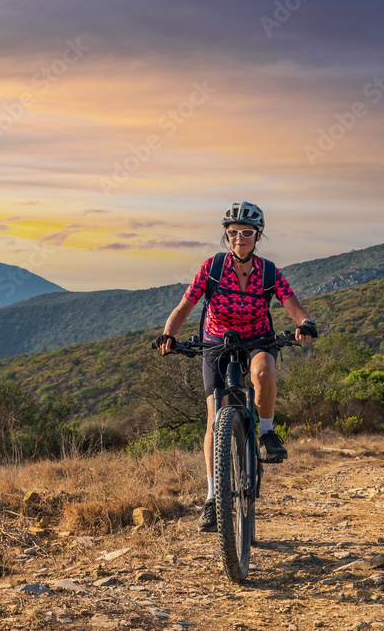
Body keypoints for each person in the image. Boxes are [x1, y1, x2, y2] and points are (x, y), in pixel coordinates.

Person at [155, 201, 318, 533]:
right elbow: (185, 306)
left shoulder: (269, 272)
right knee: (214, 421)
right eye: (232, 233)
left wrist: (306, 324)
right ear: (226, 237)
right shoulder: (212, 268)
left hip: (258, 338)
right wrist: (168, 335)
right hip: (216, 342)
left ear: (258, 236)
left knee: (262, 373)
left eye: (246, 233)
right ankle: (214, 499)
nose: (239, 238)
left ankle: (268, 434)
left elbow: (294, 306)